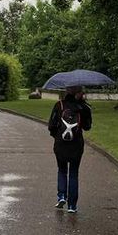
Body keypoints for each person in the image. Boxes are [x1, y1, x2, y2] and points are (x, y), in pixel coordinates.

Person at [47, 85, 92, 213]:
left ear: (67, 91)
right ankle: (72, 205)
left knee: (62, 170)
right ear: (80, 92)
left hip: (60, 144)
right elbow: (87, 127)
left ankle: (61, 195)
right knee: (73, 173)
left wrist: (56, 136)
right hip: (76, 145)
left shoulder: (59, 105)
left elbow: (51, 126)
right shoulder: (84, 108)